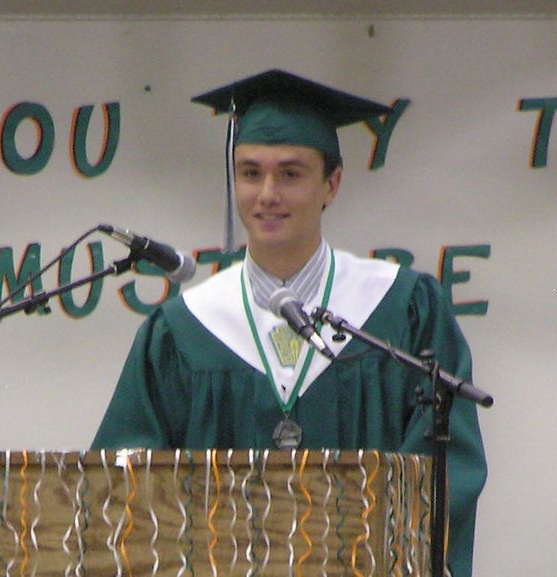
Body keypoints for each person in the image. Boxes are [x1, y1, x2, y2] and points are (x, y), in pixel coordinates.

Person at [91, 69, 487, 577]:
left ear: (332, 184)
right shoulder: (183, 330)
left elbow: (446, 471)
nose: (267, 194)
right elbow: (124, 481)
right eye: (250, 173)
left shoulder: (402, 309)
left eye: (291, 174)